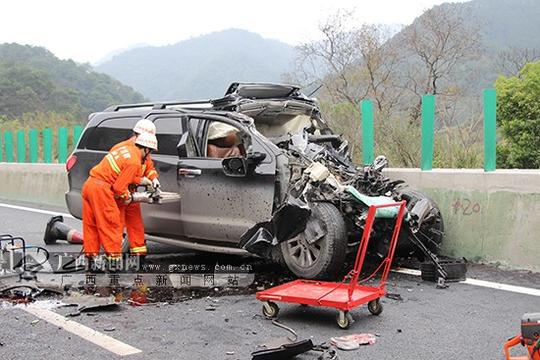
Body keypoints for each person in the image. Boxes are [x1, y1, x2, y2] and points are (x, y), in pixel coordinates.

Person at [81, 132, 158, 268]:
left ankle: (91, 261)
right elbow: (119, 188)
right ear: (146, 149)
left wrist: (144, 179)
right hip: (102, 189)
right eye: (150, 151)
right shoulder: (134, 161)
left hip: (89, 185)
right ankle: (114, 262)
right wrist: (129, 197)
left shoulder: (125, 149)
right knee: (112, 225)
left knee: (91, 225)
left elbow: (121, 173)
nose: (149, 154)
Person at [111, 119, 160, 257]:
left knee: (135, 224)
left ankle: (139, 254)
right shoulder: (122, 149)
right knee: (117, 225)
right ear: (138, 134)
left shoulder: (144, 148)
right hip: (118, 193)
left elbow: (148, 166)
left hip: (131, 193)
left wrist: (153, 178)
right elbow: (121, 176)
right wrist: (141, 180)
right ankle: (113, 257)